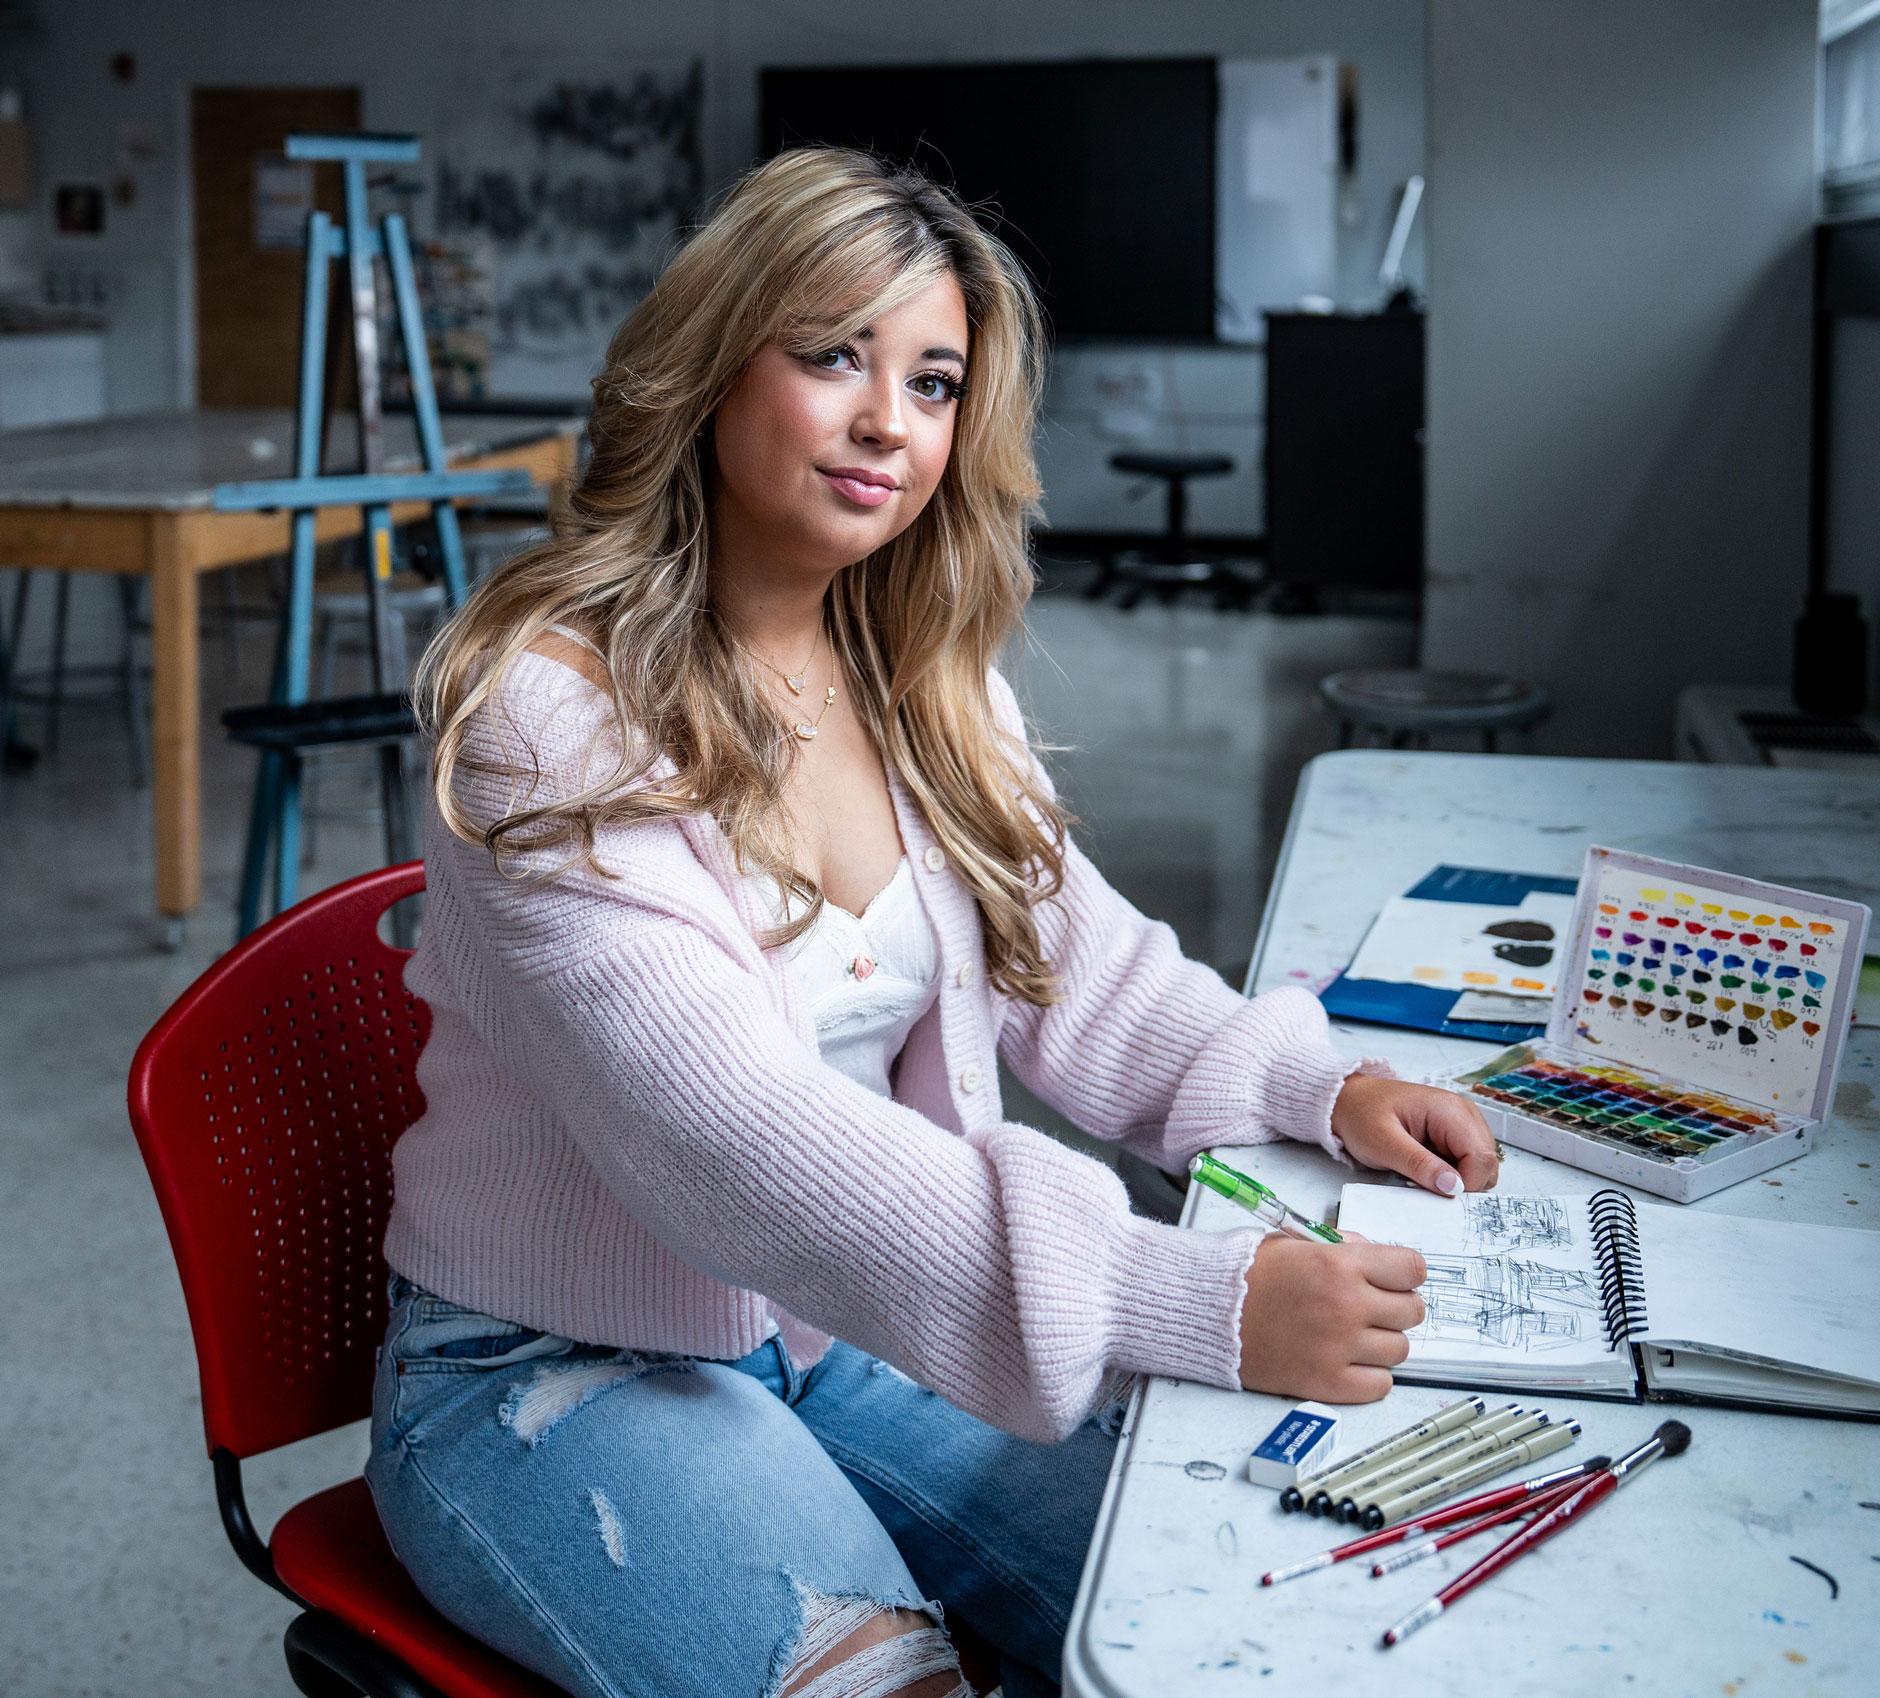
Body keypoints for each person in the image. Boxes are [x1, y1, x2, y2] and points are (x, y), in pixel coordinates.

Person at [369, 148, 1498, 1698]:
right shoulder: (550, 721)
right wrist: (1191, 1296)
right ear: (711, 364)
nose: (888, 421)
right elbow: (739, 1143)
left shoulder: (915, 681)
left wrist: (1318, 1088)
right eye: (833, 355)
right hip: (552, 1373)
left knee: (1230, 1595)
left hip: (838, 1328)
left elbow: (1081, 970)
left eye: (933, 378)